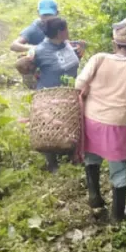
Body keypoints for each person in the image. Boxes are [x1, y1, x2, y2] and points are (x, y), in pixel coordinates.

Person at [76, 23, 126, 223]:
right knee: (119, 169)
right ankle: (117, 215)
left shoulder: (99, 59)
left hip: (92, 118)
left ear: (115, 44)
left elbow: (78, 84)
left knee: (91, 159)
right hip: (118, 124)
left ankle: (95, 200)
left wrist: (88, 91)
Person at [28, 17, 82, 173]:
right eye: (66, 29)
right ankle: (52, 164)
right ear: (60, 32)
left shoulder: (66, 44)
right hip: (50, 96)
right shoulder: (39, 51)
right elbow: (26, 68)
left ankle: (72, 154)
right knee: (50, 128)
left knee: (71, 124)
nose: (69, 31)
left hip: (69, 93)